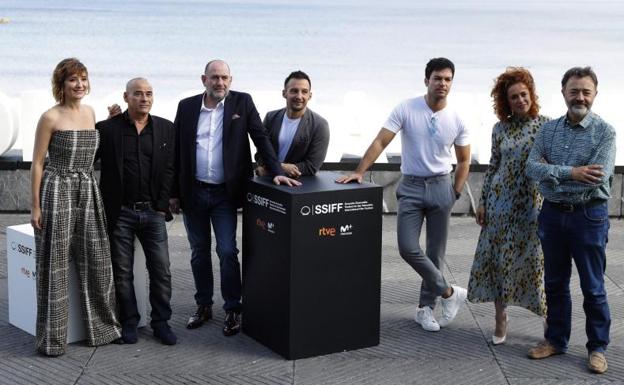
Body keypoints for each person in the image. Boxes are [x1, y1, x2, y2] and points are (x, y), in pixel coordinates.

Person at [337, 57, 471, 332]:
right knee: (407, 247)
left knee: (435, 253)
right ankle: (449, 293)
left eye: (447, 79)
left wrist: (455, 192)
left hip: (441, 187)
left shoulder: (457, 118)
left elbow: (464, 160)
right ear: (426, 80)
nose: (442, 84)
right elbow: (381, 140)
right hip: (410, 187)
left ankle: (425, 309)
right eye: (437, 78)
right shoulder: (407, 108)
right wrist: (360, 171)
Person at [170, 59, 300, 336]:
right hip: (193, 192)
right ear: (203, 79)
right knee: (199, 252)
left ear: (231, 80)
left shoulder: (242, 103)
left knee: (228, 251)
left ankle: (233, 309)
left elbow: (260, 137)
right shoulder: (187, 106)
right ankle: (203, 305)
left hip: (224, 195)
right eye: (215, 77)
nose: (220, 83)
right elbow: (177, 151)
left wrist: (275, 171)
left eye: (225, 78)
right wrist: (173, 193)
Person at [526, 67, 616, 374]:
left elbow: (596, 178)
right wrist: (572, 172)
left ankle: (598, 348)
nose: (580, 97)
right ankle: (556, 340)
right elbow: (531, 168)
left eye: (585, 92)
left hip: (589, 216)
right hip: (552, 214)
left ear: (594, 95)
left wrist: (555, 173)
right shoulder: (548, 130)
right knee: (554, 283)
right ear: (564, 92)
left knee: (593, 287)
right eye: (574, 90)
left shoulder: (605, 132)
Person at [30, 58, 121, 356]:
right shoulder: (50, 117)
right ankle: (52, 340)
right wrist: (35, 206)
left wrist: (113, 119)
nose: (79, 84)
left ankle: (103, 329)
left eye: (83, 79)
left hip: (88, 189)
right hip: (57, 189)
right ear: (62, 84)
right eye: (73, 80)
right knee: (54, 264)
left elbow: (91, 154)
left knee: (96, 257)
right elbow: (38, 163)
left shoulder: (91, 113)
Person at [467, 67, 548, 345]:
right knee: (499, 262)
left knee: (535, 262)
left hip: (530, 205)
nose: (520, 100)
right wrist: (483, 201)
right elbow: (493, 167)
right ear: (506, 101)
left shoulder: (546, 125)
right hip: (500, 204)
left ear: (531, 95)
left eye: (524, 94)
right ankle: (500, 319)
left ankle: (549, 319)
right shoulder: (499, 129)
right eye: (514, 97)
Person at [96, 78, 177, 345]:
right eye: (138, 94)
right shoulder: (108, 129)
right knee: (122, 272)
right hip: (121, 213)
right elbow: (88, 158)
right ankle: (129, 321)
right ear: (126, 97)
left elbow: (169, 169)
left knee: (162, 270)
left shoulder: (166, 128)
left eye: (149, 94)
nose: (144, 98)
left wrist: (162, 204)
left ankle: (161, 322)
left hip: (153, 213)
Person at [255, 70, 329, 177]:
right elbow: (260, 154)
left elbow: (312, 166)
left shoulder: (320, 125)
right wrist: (281, 167)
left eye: (304, 92)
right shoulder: (270, 117)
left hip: (298, 185)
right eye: (294, 91)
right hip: (269, 182)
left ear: (310, 95)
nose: (299, 96)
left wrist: (271, 169)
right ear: (284, 93)